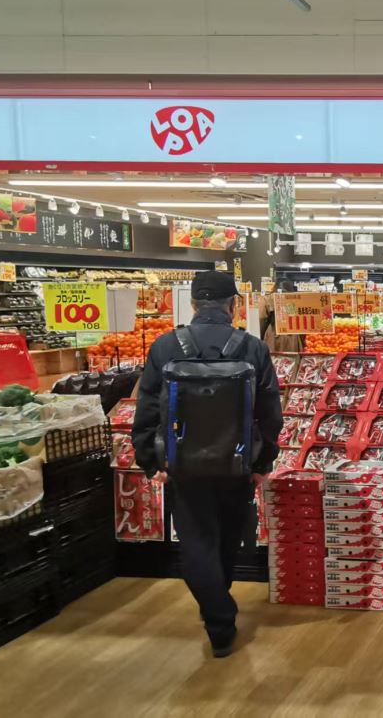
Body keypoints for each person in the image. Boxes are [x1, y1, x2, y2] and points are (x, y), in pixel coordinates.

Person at [132, 272, 282, 659]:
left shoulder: (166, 346)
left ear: (193, 304)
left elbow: (146, 409)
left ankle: (217, 618)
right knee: (228, 539)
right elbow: (270, 412)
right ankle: (219, 610)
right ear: (234, 305)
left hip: (183, 465)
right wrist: (263, 460)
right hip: (237, 462)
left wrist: (149, 461)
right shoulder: (251, 347)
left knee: (197, 543)